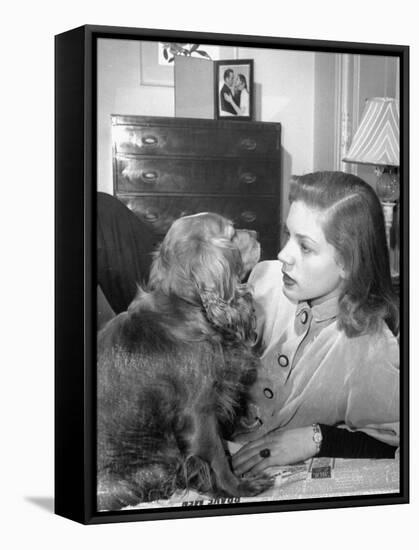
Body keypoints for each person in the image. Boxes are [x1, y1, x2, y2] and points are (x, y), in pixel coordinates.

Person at [232, 171, 400, 477]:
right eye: (287, 235)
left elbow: (392, 442)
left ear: (349, 262)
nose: (283, 254)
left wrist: (316, 437)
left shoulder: (373, 346)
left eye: (305, 247)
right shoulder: (265, 279)